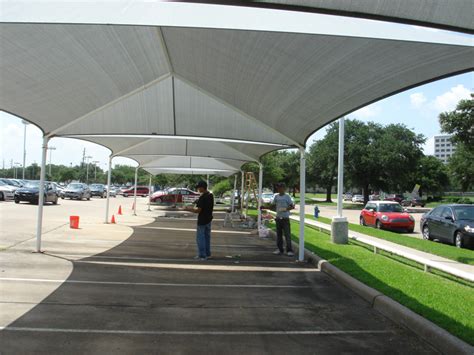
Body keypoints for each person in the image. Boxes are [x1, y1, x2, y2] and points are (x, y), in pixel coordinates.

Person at [186, 180, 214, 260]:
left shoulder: (203, 197)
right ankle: (208, 254)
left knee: (200, 238)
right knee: (207, 238)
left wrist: (188, 209)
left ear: (202, 187)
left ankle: (202, 255)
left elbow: (198, 210)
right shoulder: (210, 195)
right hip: (208, 219)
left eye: (198, 188)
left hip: (202, 220)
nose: (198, 189)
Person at [271, 183, 295, 256]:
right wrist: (265, 207)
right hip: (278, 218)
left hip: (285, 218)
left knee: (287, 235)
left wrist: (285, 209)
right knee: (279, 235)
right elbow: (273, 205)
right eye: (278, 188)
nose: (279, 189)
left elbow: (292, 206)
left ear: (283, 188)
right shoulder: (276, 196)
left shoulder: (287, 196)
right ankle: (280, 249)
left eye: (280, 188)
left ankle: (289, 250)